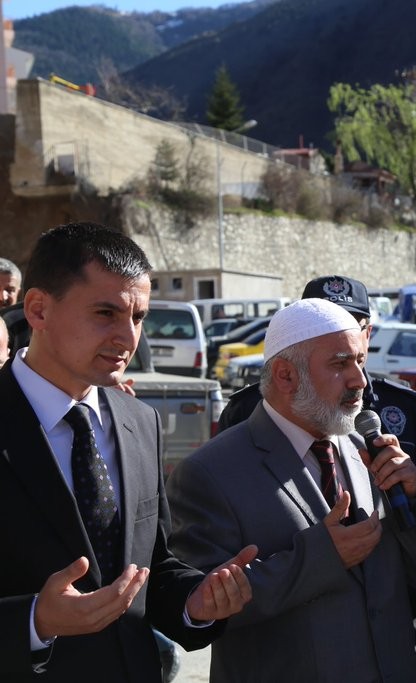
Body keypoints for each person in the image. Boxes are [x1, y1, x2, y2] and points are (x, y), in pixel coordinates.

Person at [0, 222, 255, 682]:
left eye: (138, 318)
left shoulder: (139, 421)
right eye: (105, 313)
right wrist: (35, 621)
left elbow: (151, 565)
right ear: (38, 309)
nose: (128, 337)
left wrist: (195, 601)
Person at [166, 298, 416, 682]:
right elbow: (204, 608)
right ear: (286, 376)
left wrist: (415, 499)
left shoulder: (370, 451)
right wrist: (321, 557)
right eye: (340, 364)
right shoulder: (209, 473)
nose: (360, 381)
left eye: (361, 361)